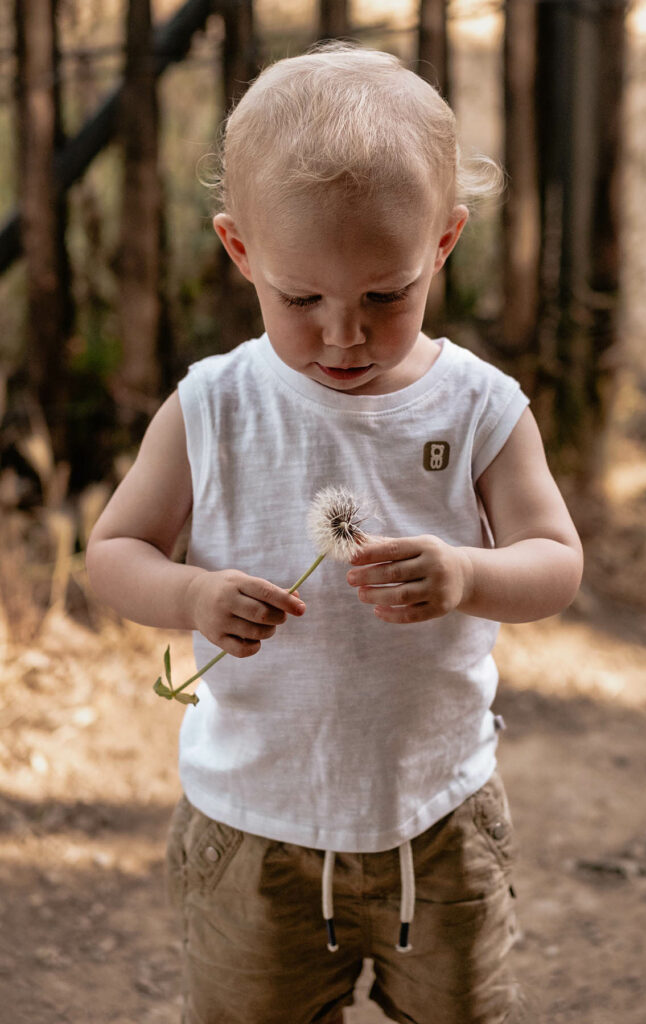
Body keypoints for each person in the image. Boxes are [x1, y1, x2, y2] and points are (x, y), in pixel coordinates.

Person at [86, 43, 582, 1024]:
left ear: (442, 244)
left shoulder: (478, 407)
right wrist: (188, 594)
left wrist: (466, 576)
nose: (342, 334)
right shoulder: (213, 407)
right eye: (300, 299)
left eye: (384, 296)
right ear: (240, 253)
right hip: (250, 826)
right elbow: (113, 554)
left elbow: (553, 562)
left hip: (437, 819)